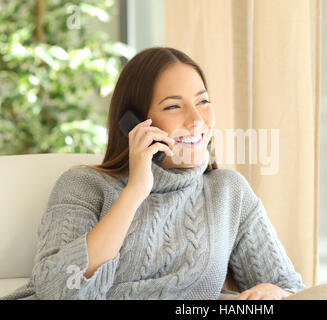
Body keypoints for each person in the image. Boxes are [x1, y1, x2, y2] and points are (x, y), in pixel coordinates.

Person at [0, 47, 306, 300]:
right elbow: (56, 290)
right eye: (174, 107)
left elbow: (293, 288)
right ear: (134, 122)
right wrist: (135, 191)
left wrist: (275, 293)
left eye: (203, 101)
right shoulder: (83, 186)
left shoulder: (228, 192)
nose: (197, 120)